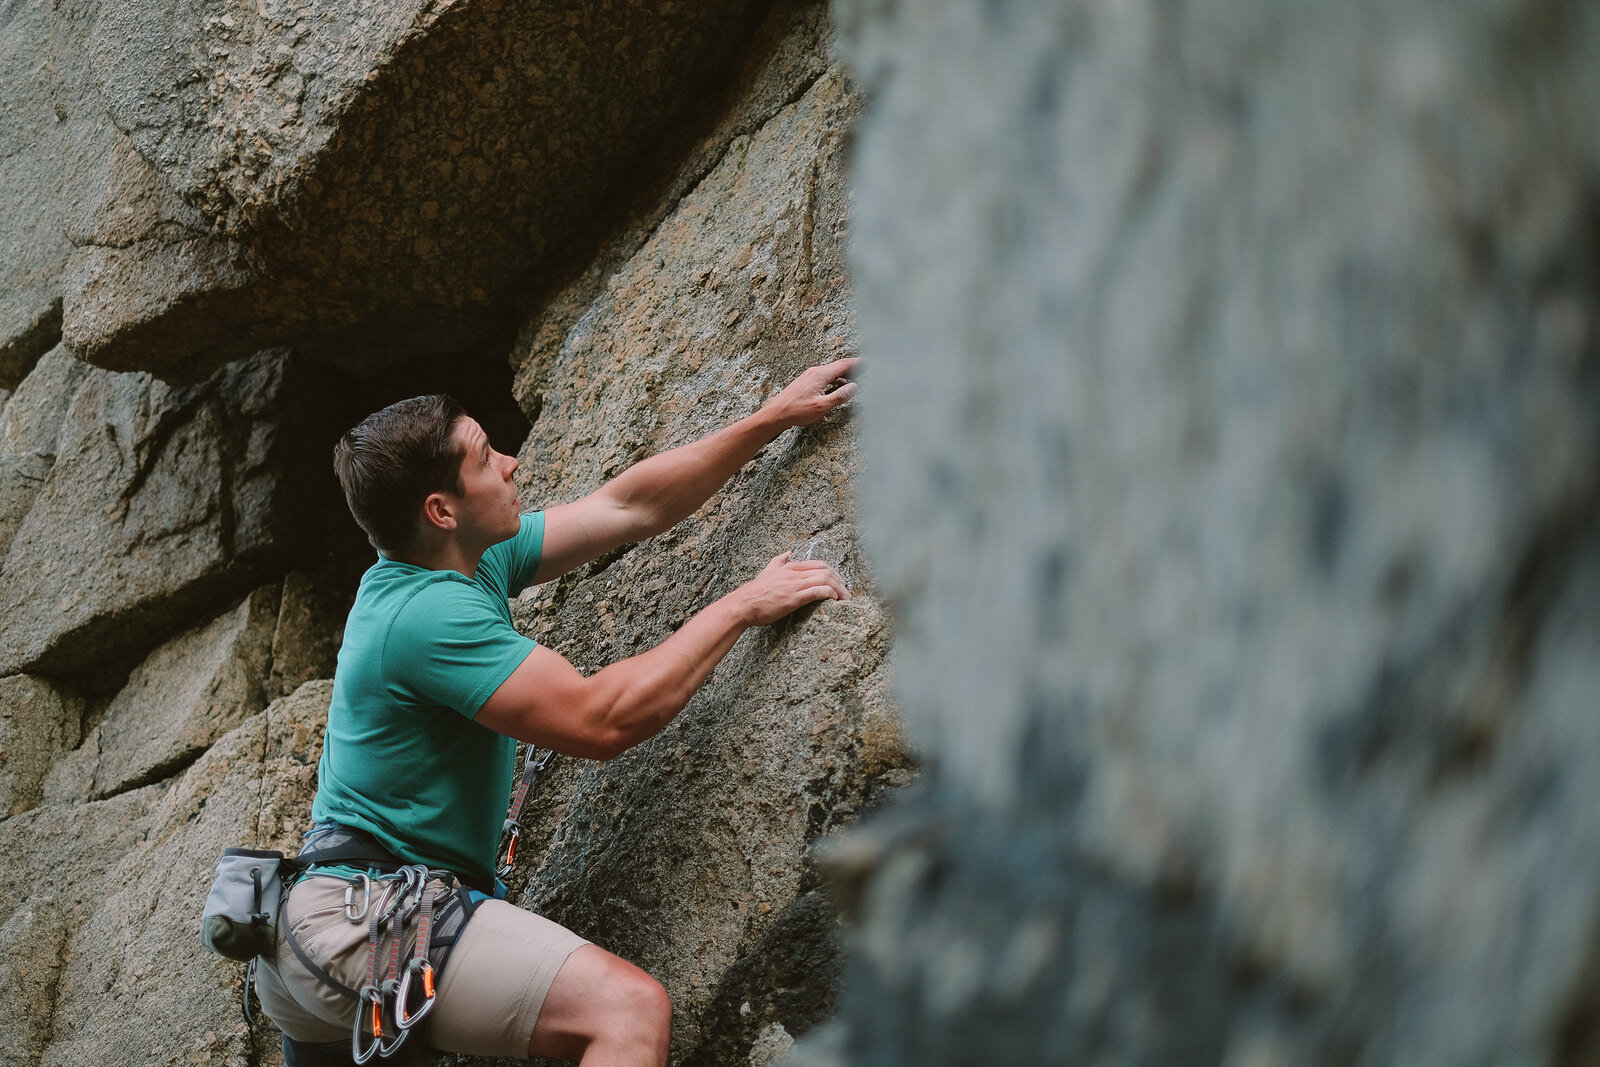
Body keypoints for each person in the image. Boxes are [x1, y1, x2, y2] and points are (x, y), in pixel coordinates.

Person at [253, 359, 859, 1066]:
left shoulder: (456, 560)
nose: (511, 464)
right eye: (486, 457)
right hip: (364, 923)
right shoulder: (425, 616)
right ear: (440, 509)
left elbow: (627, 508)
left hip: (331, 932)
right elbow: (603, 720)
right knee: (628, 1012)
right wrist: (741, 605)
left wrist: (773, 417)